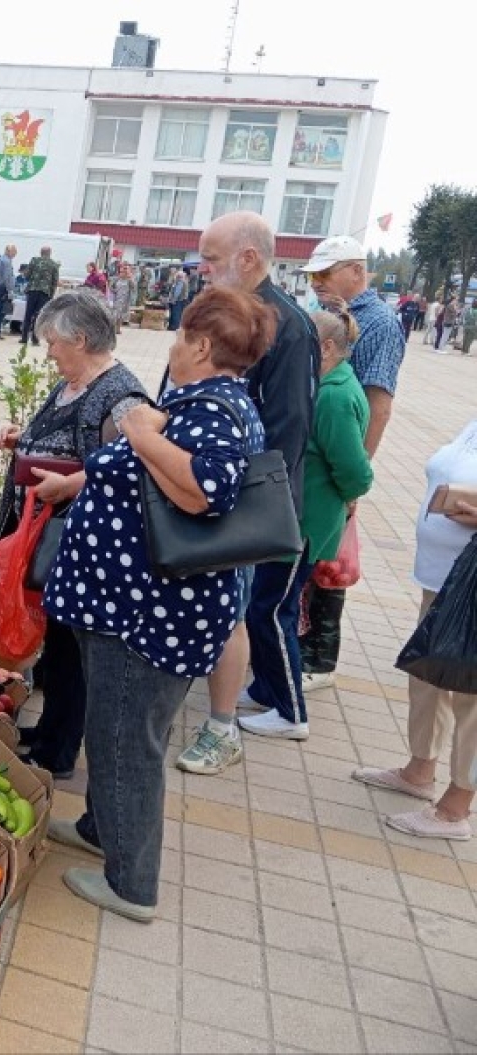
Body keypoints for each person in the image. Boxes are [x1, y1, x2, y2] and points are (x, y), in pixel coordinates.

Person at [45, 287, 271, 921]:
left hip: (149, 616)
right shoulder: (204, 401)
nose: (170, 347)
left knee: (127, 743)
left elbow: (206, 491)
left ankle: (131, 884)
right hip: (132, 607)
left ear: (201, 345)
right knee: (113, 728)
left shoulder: (213, 408)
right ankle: (100, 827)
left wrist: (142, 432)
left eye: (179, 336)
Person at [175, 212, 319, 773]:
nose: (203, 269)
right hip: (218, 493)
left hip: (249, 505)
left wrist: (239, 506)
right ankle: (241, 695)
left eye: (211, 258)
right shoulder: (230, 314)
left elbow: (288, 430)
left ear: (249, 259)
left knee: (241, 611)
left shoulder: (288, 325)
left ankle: (239, 719)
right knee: (229, 611)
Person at [0, 290, 149, 779]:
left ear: (80, 339)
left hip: (79, 541)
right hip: (49, 535)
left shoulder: (123, 396)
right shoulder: (74, 382)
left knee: (71, 651)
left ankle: (58, 752)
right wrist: (23, 438)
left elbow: (137, 464)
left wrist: (71, 483)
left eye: (53, 342)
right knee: (55, 645)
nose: (48, 351)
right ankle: (49, 730)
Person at [352, 419, 477, 840]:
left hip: (471, 584)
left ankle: (456, 808)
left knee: (472, 699)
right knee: (429, 677)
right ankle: (419, 768)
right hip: (442, 577)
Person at [296, 310, 374, 686]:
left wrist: (347, 498)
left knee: (301, 594)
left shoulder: (335, 395)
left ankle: (302, 671)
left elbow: (355, 472)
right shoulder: (331, 385)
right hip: (316, 511)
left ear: (326, 348)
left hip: (316, 515)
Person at [303, 235, 406, 457]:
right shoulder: (327, 311)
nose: (315, 283)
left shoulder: (381, 323)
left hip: (336, 454)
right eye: (312, 275)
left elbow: (378, 408)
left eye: (323, 273)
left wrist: (356, 477)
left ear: (357, 271)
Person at [20, 246, 60, 346]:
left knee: (28, 314)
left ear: (41, 252)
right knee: (39, 316)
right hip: (44, 292)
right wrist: (51, 295)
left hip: (32, 290)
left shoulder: (34, 261)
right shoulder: (53, 264)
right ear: (50, 253)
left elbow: (27, 275)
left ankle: (24, 338)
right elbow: (54, 281)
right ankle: (35, 339)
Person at [110, 265, 135, 333]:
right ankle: (113, 328)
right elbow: (111, 287)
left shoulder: (129, 280)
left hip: (125, 300)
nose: (122, 274)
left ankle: (118, 328)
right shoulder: (116, 279)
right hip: (117, 299)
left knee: (121, 315)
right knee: (115, 314)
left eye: (123, 272)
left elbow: (133, 288)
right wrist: (114, 291)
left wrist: (130, 278)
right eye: (120, 272)